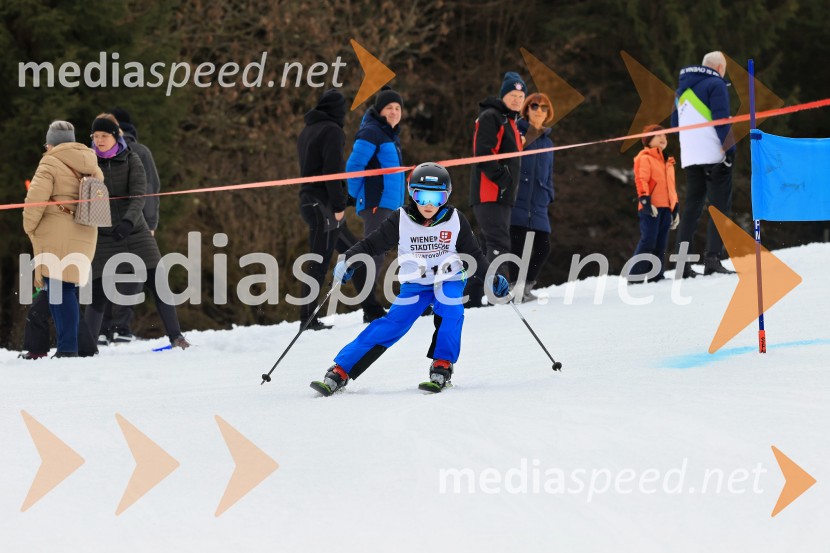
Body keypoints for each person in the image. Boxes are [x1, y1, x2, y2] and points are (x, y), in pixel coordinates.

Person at [310, 163, 510, 396]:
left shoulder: (455, 219)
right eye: (421, 196)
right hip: (415, 284)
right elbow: (371, 244)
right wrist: (350, 260)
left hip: (449, 279)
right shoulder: (401, 219)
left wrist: (491, 277)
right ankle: (341, 370)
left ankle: (442, 366)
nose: (428, 204)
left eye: (436, 198)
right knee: (392, 324)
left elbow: (474, 255)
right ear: (412, 194)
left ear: (446, 197)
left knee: (452, 310)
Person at [82, 114, 190, 349]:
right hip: (104, 234)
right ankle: (88, 344)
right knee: (99, 290)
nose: (99, 140)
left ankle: (176, 336)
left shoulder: (132, 158)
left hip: (136, 231)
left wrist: (130, 222)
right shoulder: (88, 164)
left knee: (158, 282)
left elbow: (139, 194)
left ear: (115, 136)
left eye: (104, 136)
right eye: (95, 136)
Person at [297, 89, 386, 330]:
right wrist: (338, 205)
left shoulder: (308, 130)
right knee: (319, 261)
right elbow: (331, 170)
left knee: (357, 254)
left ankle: (372, 308)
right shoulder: (332, 130)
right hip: (323, 205)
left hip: (311, 201)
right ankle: (307, 318)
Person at [23, 121, 102, 358]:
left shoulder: (49, 162)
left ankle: (68, 348)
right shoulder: (91, 162)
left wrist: (29, 226)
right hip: (85, 229)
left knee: (60, 288)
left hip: (57, 231)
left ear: (50, 144)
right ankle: (69, 346)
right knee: (62, 288)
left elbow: (35, 200)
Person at [97, 107, 164, 344]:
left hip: (106, 223)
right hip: (134, 223)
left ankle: (105, 328)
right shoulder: (141, 151)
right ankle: (120, 327)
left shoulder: (101, 151)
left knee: (105, 273)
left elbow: (147, 188)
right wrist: (151, 222)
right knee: (131, 273)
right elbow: (150, 190)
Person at [672, 51, 736, 277]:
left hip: (690, 156)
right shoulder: (715, 84)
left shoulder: (681, 90)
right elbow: (721, 119)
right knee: (720, 207)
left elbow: (674, 124)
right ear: (719, 68)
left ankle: (682, 263)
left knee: (692, 208)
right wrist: (730, 150)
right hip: (714, 153)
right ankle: (712, 259)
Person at [468, 71, 526, 307]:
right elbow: (484, 153)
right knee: (498, 243)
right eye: (512, 95)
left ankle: (469, 297)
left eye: (520, 96)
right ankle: (498, 293)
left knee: (486, 245)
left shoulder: (511, 121)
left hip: (503, 195)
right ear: (503, 95)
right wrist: (503, 180)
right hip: (489, 193)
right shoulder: (492, 117)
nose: (516, 100)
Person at [345, 86, 405, 299]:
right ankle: (368, 304)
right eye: (389, 107)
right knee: (375, 252)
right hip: (376, 201)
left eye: (398, 108)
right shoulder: (371, 132)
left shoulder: (390, 136)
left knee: (390, 251)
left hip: (391, 202)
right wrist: (354, 195)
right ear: (379, 110)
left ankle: (411, 298)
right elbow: (354, 166)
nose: (394, 112)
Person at [509, 92, 555, 302]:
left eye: (544, 107)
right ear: (526, 110)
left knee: (543, 247)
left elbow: (550, 172)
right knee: (517, 246)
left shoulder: (548, 143)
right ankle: (513, 289)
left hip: (539, 201)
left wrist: (549, 195)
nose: (539, 110)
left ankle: (526, 286)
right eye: (535, 106)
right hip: (518, 199)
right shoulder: (517, 133)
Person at [627, 125, 679, 283]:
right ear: (648, 140)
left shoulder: (668, 162)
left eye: (665, 136)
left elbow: (671, 188)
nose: (663, 138)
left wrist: (675, 209)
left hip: (665, 208)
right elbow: (641, 180)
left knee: (661, 243)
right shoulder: (644, 158)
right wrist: (645, 201)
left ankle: (656, 275)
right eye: (658, 136)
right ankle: (635, 276)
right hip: (651, 208)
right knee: (649, 240)